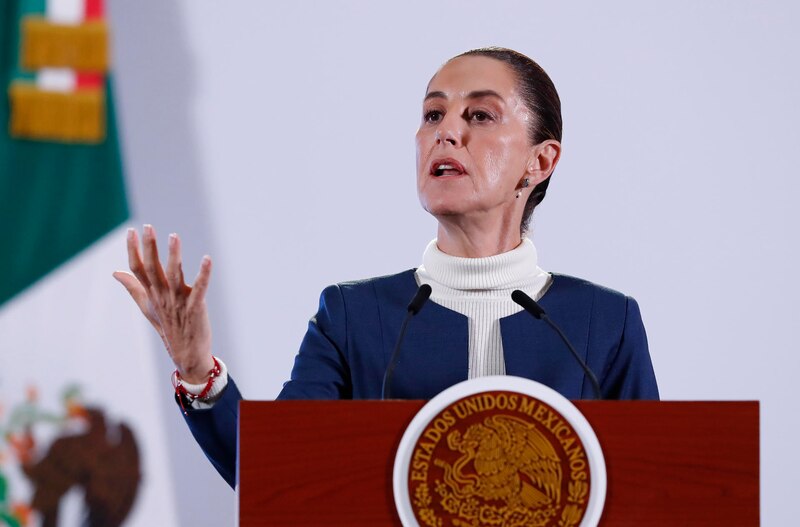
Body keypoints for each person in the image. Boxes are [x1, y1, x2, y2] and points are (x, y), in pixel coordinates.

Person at [113, 47, 659, 489]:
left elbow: (658, 496)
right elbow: (274, 475)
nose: (446, 132)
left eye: (480, 115)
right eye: (432, 114)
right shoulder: (354, 317)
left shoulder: (602, 325)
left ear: (540, 161)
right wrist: (194, 368)